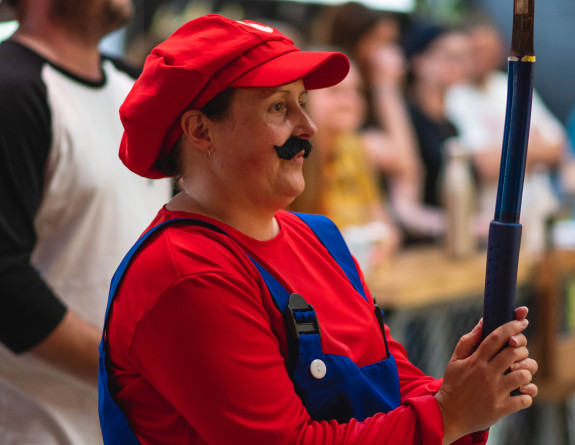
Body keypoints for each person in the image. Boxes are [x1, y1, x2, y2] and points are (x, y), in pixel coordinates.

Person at [99, 14, 538, 445]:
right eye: (278, 107)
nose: (308, 128)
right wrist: (446, 415)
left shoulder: (319, 236)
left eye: (303, 103)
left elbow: (393, 384)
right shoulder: (185, 274)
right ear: (200, 131)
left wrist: (468, 391)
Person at [0, 0, 171, 443]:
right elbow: (4, 279)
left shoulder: (134, 85)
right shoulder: (12, 89)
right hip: (38, 424)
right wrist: (129, 370)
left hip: (130, 420)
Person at [445, 18, 566, 251]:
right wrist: (534, 144)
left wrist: (510, 151)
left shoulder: (508, 85)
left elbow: (557, 146)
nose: (482, 57)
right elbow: (486, 164)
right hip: (492, 223)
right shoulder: (456, 96)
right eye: (476, 50)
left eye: (488, 50)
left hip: (539, 215)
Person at [290, 58, 401, 271]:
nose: (351, 101)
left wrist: (375, 248)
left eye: (356, 90)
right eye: (335, 91)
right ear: (303, 100)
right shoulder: (289, 157)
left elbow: (388, 231)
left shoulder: (354, 147)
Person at [402, 22, 477, 245]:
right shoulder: (406, 118)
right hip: (418, 244)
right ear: (419, 61)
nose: (461, 66)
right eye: (450, 57)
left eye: (465, 58)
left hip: (454, 240)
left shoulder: (452, 124)